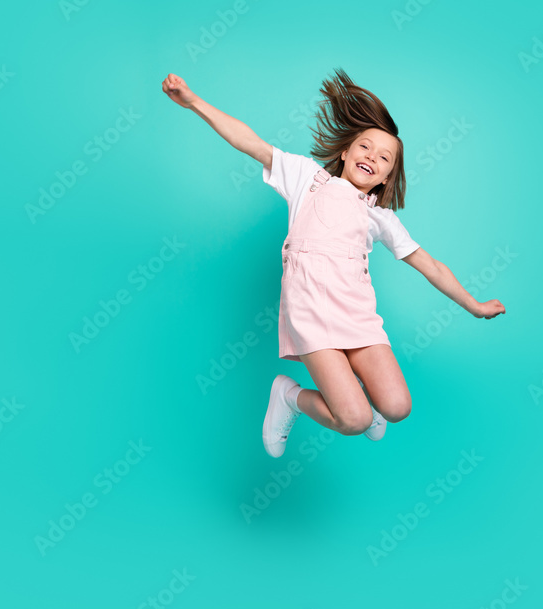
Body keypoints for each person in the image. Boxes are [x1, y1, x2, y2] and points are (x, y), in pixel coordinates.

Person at [162, 68, 505, 458]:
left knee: (397, 407)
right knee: (354, 421)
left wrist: (473, 306)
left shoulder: (380, 217)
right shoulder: (307, 179)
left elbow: (431, 265)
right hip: (310, 310)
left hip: (356, 314)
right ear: (344, 151)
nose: (372, 158)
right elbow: (250, 142)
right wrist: (193, 103)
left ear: (386, 177)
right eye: (365, 147)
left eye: (384, 158)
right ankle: (289, 396)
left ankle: (362, 399)